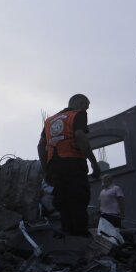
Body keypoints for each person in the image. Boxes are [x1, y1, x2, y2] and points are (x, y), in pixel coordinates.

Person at [38, 94, 101, 236]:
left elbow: (41, 146)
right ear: (80, 103)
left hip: (55, 166)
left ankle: (66, 233)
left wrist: (46, 169)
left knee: (63, 201)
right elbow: (80, 136)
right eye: (86, 106)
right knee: (78, 198)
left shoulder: (49, 121)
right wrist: (94, 163)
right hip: (73, 163)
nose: (87, 109)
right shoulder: (78, 114)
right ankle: (80, 236)